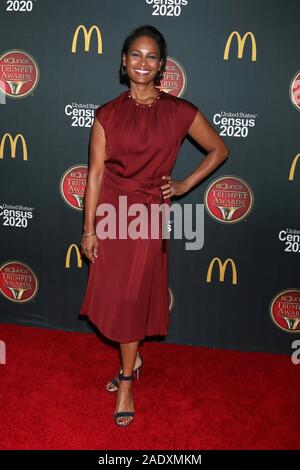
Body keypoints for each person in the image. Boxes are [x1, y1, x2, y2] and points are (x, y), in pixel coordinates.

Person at [80, 25, 229, 427]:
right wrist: (89, 229)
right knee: (115, 298)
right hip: (111, 214)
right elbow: (94, 175)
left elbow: (219, 148)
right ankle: (135, 357)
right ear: (123, 61)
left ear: (162, 65)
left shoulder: (179, 111)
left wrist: (183, 185)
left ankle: (127, 380)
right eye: (135, 55)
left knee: (130, 301)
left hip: (147, 216)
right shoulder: (107, 114)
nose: (142, 63)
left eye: (150, 57)